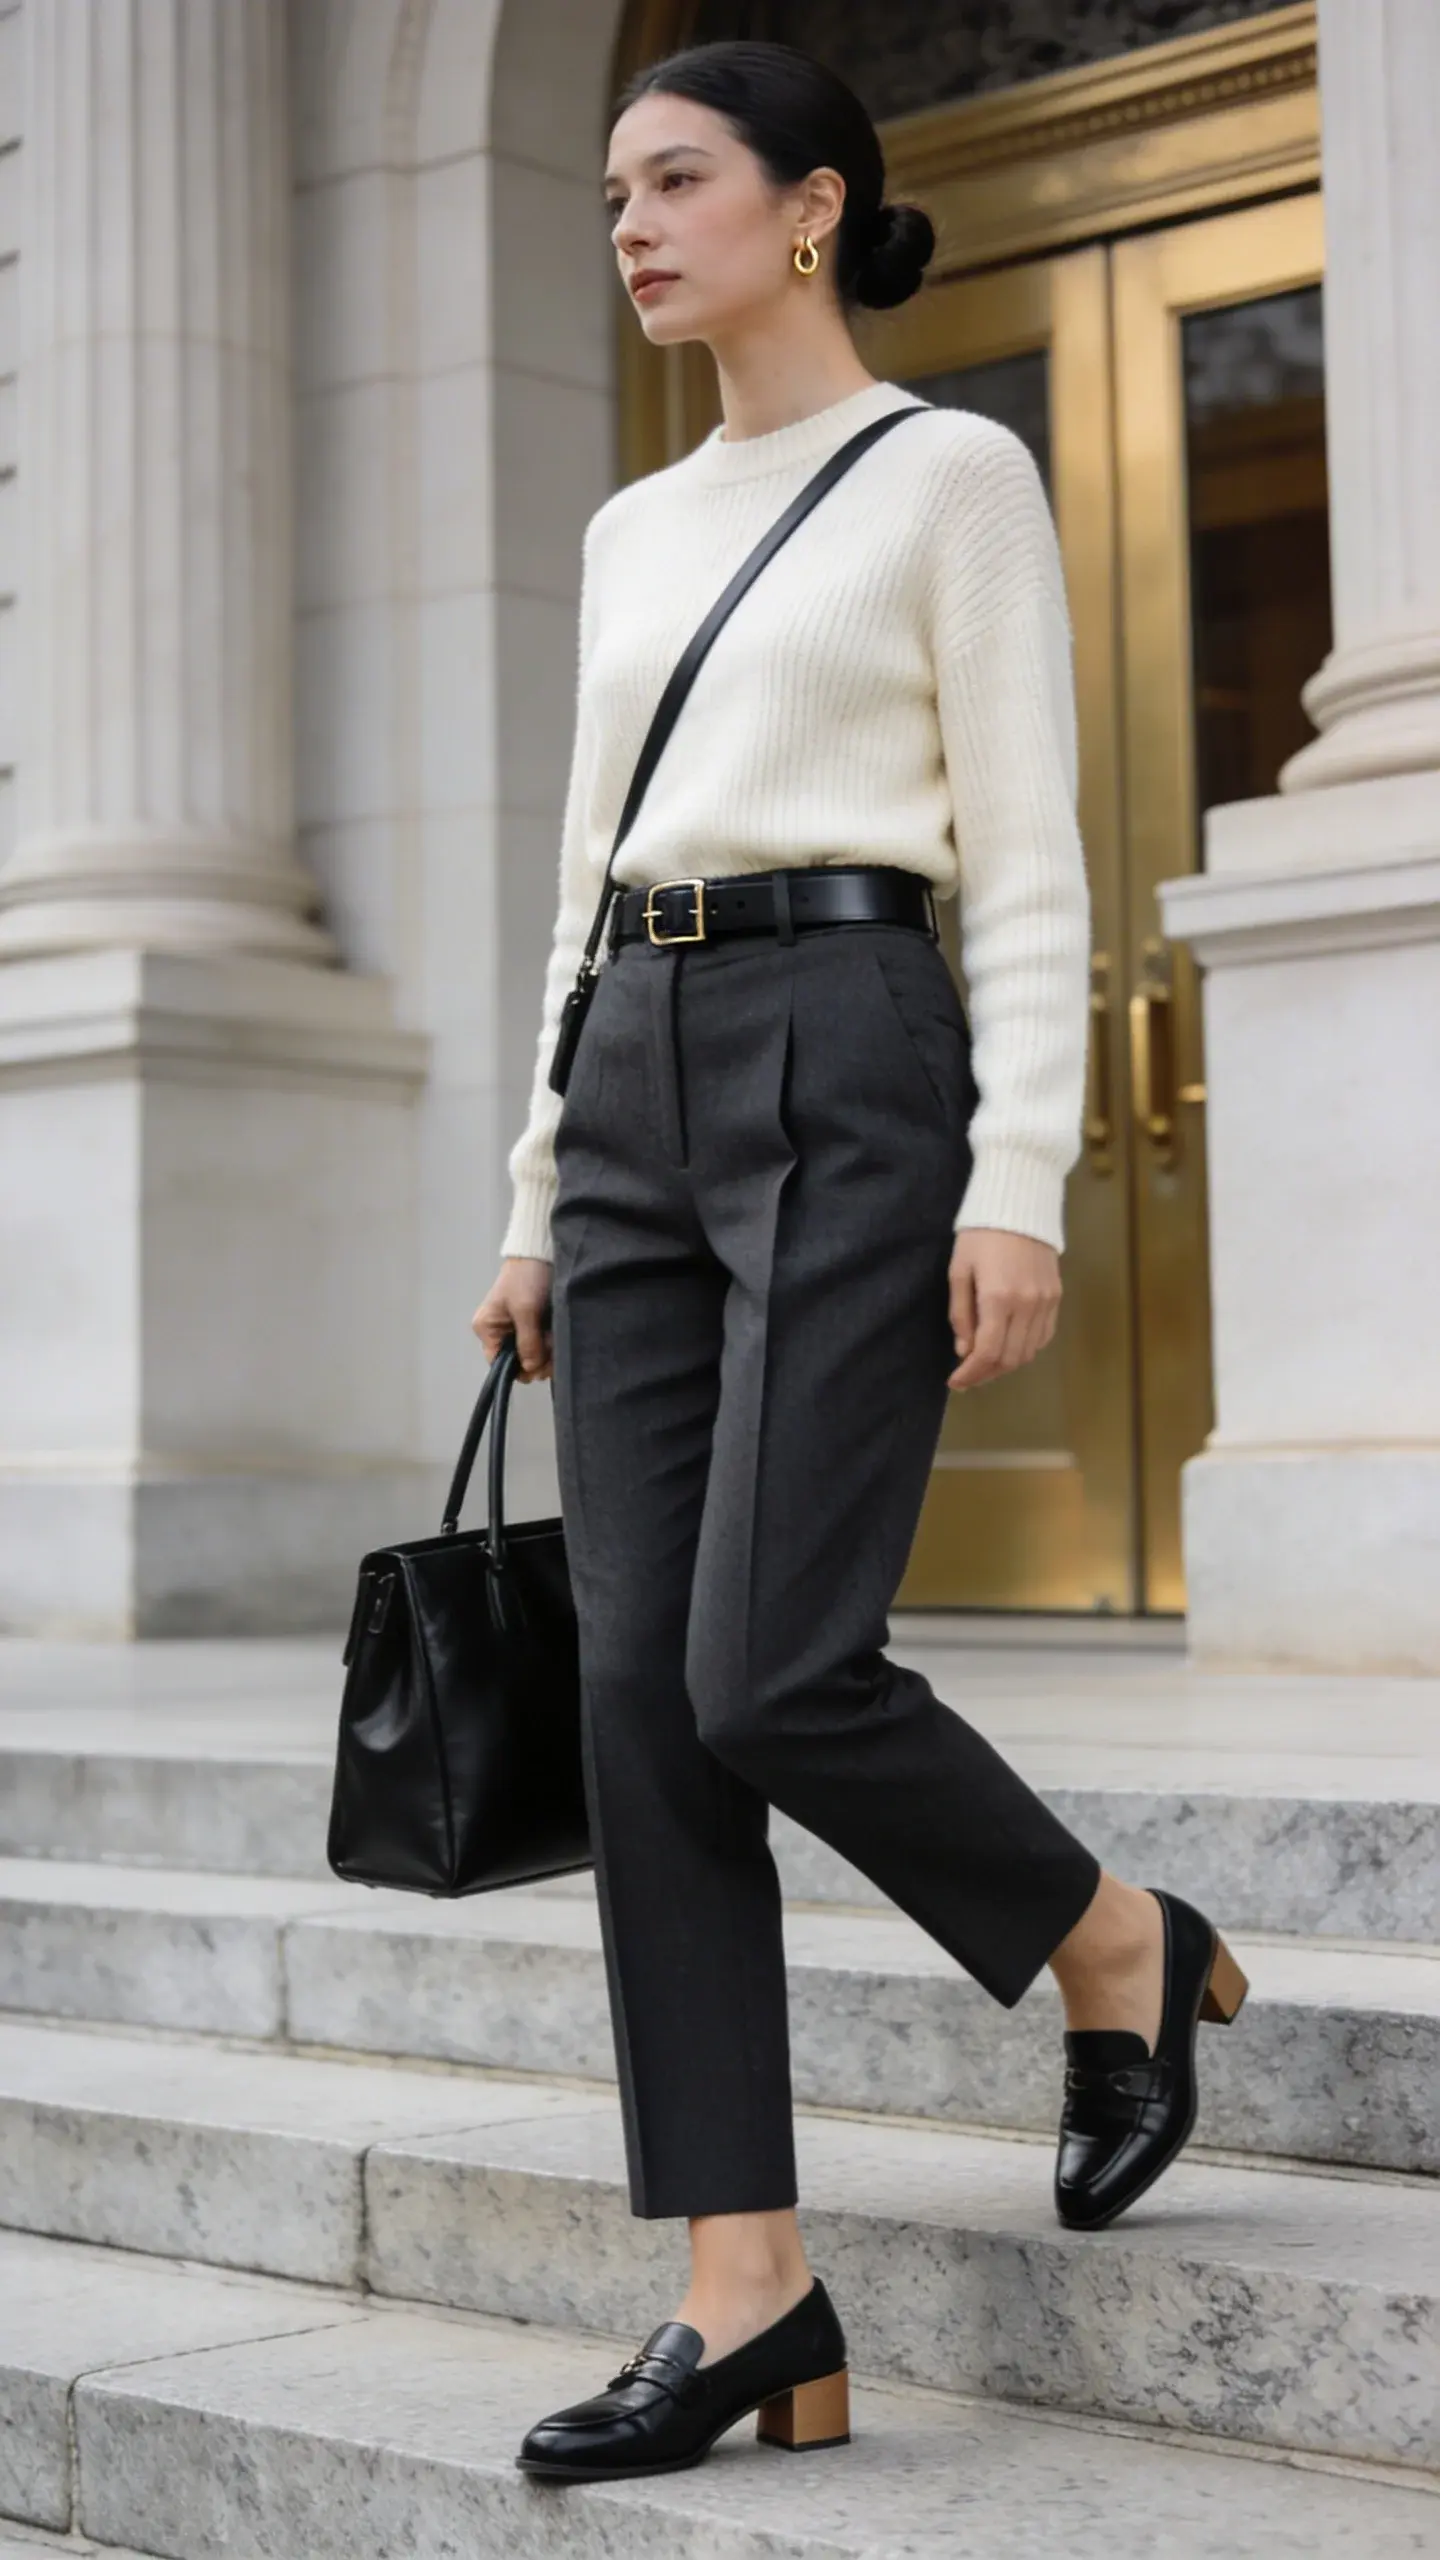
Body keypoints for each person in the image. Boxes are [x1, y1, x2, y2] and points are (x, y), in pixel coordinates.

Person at [471, 37, 1248, 2488]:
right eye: (614, 186)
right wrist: (527, 1190)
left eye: (676, 177)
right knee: (633, 1690)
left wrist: (1021, 1169)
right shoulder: (628, 529)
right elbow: (584, 883)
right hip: (635, 1085)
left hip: (850, 1039)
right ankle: (748, 2292)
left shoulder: (955, 474)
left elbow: (1026, 851)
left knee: (767, 1665)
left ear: (812, 209)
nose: (632, 221)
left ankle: (1110, 1938)